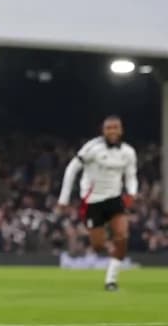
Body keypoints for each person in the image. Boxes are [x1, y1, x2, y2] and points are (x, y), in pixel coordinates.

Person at [57, 116, 137, 291]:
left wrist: (131, 193)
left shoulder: (128, 152)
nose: (112, 131)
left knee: (122, 236)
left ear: (121, 130)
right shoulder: (92, 148)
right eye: (109, 128)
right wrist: (64, 198)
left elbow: (131, 176)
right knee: (98, 245)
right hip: (92, 201)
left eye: (116, 127)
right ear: (103, 130)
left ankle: (111, 280)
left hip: (115, 199)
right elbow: (72, 168)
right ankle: (110, 250)